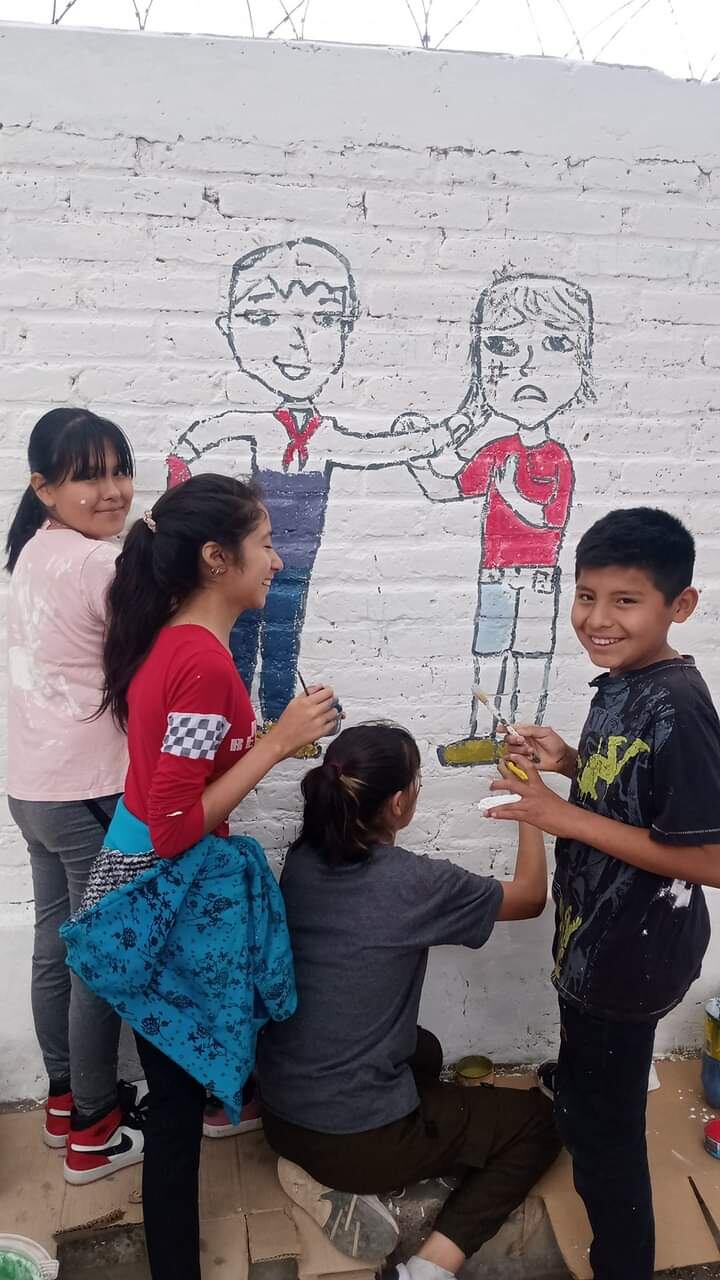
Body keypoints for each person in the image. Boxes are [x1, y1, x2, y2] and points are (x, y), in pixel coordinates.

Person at [61, 473, 338, 1280]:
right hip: (157, 892)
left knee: (175, 1086)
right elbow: (179, 827)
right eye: (264, 545)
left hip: (143, 874)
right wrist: (277, 742)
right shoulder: (203, 668)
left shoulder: (179, 643)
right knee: (176, 1108)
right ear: (218, 559)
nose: (277, 562)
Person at [485, 507, 720, 1280]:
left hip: (633, 953)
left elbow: (709, 857)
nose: (597, 618)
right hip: (596, 938)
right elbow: (635, 788)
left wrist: (563, 818)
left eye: (626, 600)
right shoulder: (623, 683)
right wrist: (569, 760)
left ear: (678, 606)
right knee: (587, 1097)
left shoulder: (681, 707)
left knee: (608, 1127)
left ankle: (624, 1262)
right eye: (586, 596)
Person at [256, 722, 561, 1276]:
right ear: (400, 803)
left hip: (279, 1110)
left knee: (423, 1051)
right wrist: (531, 805)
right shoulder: (414, 883)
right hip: (356, 1139)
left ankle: (319, 1171)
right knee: (541, 1122)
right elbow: (532, 897)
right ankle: (431, 1266)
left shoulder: (301, 860)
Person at [166, 237, 448, 744]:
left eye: (324, 320)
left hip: (295, 564)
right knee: (241, 641)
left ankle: (276, 720)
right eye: (264, 318)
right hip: (250, 562)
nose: (297, 344)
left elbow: (373, 448)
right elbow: (202, 435)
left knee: (282, 643)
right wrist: (178, 471)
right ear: (228, 329)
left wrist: (428, 437)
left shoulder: (327, 433)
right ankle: (238, 722)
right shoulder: (258, 424)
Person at [5, 406, 146, 1183]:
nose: (112, 489)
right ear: (44, 486)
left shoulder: (31, 550)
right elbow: (158, 655)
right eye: (88, 474)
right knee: (100, 960)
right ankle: (95, 1128)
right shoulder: (99, 564)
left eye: (120, 469)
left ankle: (64, 1101)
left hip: (31, 787)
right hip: (91, 790)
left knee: (54, 943)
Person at [399, 271, 593, 767]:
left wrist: (507, 491)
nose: (527, 367)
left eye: (554, 343)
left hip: (538, 579)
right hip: (496, 575)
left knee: (530, 658)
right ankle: (484, 733)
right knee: (489, 656)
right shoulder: (496, 450)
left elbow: (550, 521)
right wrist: (414, 453)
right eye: (504, 347)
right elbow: (447, 488)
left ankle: (522, 738)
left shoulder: (558, 458)